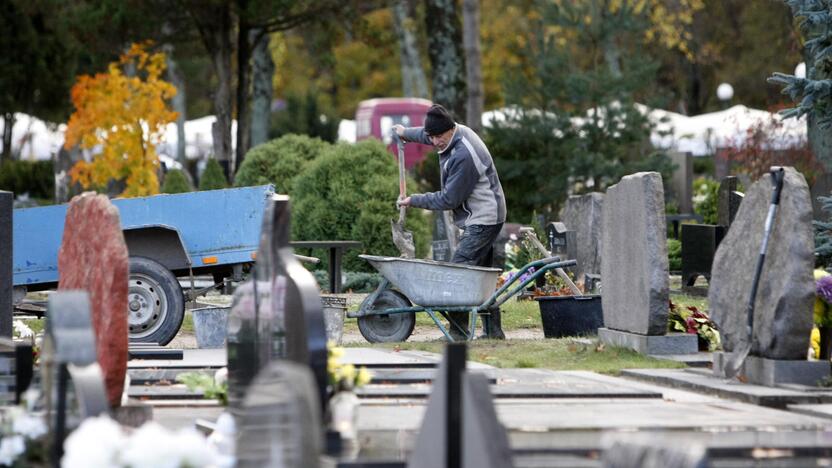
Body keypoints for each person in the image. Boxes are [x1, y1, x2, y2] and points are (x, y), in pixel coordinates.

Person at [393, 104, 507, 340]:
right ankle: (494, 332)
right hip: (484, 214)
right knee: (482, 277)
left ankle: (458, 332)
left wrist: (414, 200)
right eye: (431, 137)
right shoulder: (451, 132)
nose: (434, 142)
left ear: (450, 129)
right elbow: (426, 134)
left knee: (458, 274)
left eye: (439, 137)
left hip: (484, 217)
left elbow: (449, 199)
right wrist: (405, 132)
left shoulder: (464, 154)